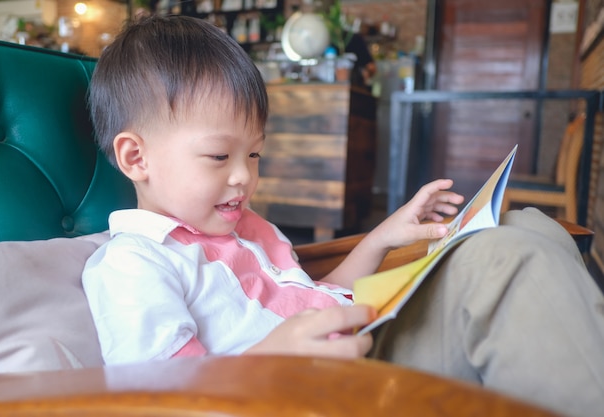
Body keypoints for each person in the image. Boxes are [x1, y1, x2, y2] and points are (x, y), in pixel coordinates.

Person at [82, 15, 604, 417]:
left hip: (360, 348)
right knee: (508, 263)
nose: (244, 176)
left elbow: (315, 296)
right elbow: (156, 397)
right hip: (309, 393)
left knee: (528, 224)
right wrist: (265, 359)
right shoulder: (134, 265)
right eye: (220, 157)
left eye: (254, 154)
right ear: (136, 158)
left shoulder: (244, 229)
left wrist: (383, 235)